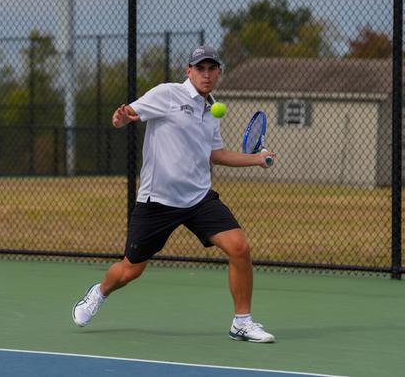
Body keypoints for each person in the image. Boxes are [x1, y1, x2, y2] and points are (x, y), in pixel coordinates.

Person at [72, 45, 277, 343]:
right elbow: (128, 114)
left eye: (211, 69)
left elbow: (216, 154)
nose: (206, 74)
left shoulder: (212, 110)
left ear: (219, 72)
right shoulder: (167, 94)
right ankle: (99, 292)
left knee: (240, 248)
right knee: (130, 270)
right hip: (158, 201)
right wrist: (121, 118)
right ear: (188, 71)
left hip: (198, 198)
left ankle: (242, 323)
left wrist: (257, 160)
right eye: (200, 68)